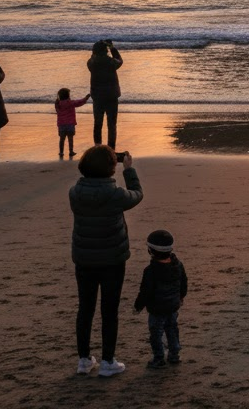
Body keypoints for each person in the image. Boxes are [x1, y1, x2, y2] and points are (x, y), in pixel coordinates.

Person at [70, 144, 143, 377]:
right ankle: (107, 361)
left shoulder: (75, 192)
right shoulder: (115, 194)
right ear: (111, 168)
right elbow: (137, 195)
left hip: (84, 258)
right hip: (112, 259)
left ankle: (83, 360)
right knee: (109, 310)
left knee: (86, 308)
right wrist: (129, 170)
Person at [134, 228, 188, 369]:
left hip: (157, 309)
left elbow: (145, 291)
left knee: (156, 334)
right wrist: (181, 296)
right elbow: (184, 282)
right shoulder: (178, 265)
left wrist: (138, 305)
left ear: (150, 251)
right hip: (173, 305)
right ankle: (174, 354)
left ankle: (159, 358)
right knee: (172, 329)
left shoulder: (151, 271)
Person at [87, 40, 123, 149]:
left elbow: (92, 57)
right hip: (112, 96)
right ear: (105, 51)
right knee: (111, 124)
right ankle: (111, 148)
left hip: (97, 96)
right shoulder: (111, 62)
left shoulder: (91, 63)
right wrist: (112, 48)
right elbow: (120, 61)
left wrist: (95, 50)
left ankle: (98, 147)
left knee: (98, 123)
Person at [56, 88, 91, 160]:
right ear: (68, 95)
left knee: (62, 139)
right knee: (70, 139)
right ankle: (71, 151)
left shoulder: (58, 104)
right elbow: (79, 102)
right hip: (70, 124)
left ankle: (61, 152)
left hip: (61, 124)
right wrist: (86, 98)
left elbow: (58, 111)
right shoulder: (70, 103)